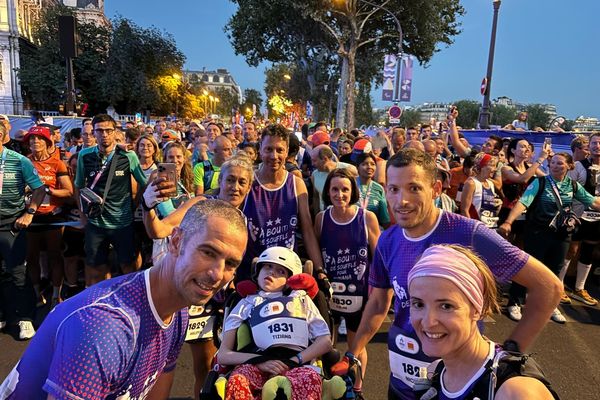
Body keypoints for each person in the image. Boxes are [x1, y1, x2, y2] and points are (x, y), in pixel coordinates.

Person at [334, 148, 562, 399]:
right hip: (401, 381)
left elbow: (548, 287)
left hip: (458, 383)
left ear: (436, 189)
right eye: (394, 189)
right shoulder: (388, 240)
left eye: (414, 188)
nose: (401, 201)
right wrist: (353, 353)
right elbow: (379, 303)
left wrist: (511, 353)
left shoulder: (468, 233)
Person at [0, 200, 248, 399]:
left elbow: (156, 390)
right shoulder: (104, 327)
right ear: (175, 241)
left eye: (231, 264)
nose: (218, 273)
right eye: (208, 252)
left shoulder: (179, 310)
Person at [143, 154, 254, 397]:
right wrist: (148, 205)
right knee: (171, 368)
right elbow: (159, 230)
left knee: (215, 368)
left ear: (249, 187)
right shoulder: (200, 204)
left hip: (218, 300)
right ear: (220, 180)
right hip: (185, 296)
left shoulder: (242, 217)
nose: (235, 187)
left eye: (242, 182)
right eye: (230, 180)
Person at [408, 244, 557, 399]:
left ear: (479, 309)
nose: (428, 322)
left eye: (446, 306)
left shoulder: (516, 392)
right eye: (418, 304)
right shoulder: (436, 372)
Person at [218, 246, 333, 400]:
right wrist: (260, 362)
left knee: (310, 380)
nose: (271, 272)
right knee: (238, 380)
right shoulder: (245, 303)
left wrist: (293, 361)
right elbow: (224, 355)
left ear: (290, 280)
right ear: (257, 271)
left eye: (281, 271)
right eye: (268, 266)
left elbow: (325, 341)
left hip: (297, 363)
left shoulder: (301, 300)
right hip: (256, 363)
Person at [499, 152, 600, 324]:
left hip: (561, 235)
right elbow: (524, 202)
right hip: (537, 233)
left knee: (554, 271)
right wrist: (508, 221)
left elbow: (594, 202)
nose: (555, 166)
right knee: (529, 268)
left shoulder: (574, 186)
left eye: (559, 163)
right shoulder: (540, 182)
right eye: (552, 163)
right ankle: (515, 302)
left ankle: (548, 305)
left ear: (569, 166)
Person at [314, 168, 380, 397]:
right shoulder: (322, 219)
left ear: (352, 191)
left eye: (344, 189)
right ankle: (327, 386)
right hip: (329, 294)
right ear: (328, 192)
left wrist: (377, 292)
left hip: (359, 294)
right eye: (334, 189)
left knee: (356, 346)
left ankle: (358, 390)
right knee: (325, 345)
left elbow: (378, 256)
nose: (339, 194)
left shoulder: (366, 218)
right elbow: (317, 254)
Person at [240, 124, 325, 282]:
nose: (274, 156)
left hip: (286, 272)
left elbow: (307, 230)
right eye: (269, 149)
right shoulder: (247, 181)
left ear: (287, 152)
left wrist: (320, 271)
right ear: (260, 150)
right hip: (252, 271)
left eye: (279, 150)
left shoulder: (296, 184)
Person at [74, 114, 148, 286]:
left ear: (115, 132)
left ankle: (130, 298)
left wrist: (133, 205)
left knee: (127, 266)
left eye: (108, 130)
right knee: (97, 267)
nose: (104, 135)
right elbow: (78, 186)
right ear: (93, 133)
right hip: (95, 223)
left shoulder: (128, 156)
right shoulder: (84, 155)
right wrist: (83, 215)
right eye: (100, 131)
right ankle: (103, 299)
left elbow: (144, 184)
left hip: (122, 223)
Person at [0, 123, 46, 340]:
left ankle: (26, 318)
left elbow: (39, 187)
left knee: (17, 272)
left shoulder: (19, 161)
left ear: (3, 136)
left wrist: (29, 213)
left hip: (11, 223)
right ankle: (5, 315)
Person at [24, 126, 74, 308]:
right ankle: (37, 294)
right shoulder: (24, 162)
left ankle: (55, 295)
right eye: (31, 139)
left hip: (52, 216)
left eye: (39, 139)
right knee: (32, 256)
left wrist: (49, 190)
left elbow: (69, 191)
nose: (35, 142)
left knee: (55, 256)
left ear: (47, 142)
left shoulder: (57, 163)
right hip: (31, 217)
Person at [499, 139, 548, 320]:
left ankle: (515, 288)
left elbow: (546, 180)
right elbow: (522, 178)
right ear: (513, 150)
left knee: (520, 250)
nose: (526, 149)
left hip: (526, 215)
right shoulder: (506, 167)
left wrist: (551, 162)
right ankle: (495, 284)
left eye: (528, 147)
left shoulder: (532, 166)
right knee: (503, 248)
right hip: (509, 212)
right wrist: (539, 160)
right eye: (522, 146)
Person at [460, 153, 501, 229]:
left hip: (490, 227)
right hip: (475, 228)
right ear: (482, 167)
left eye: (495, 166)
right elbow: (464, 210)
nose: (495, 169)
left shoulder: (491, 183)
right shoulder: (471, 183)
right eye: (492, 166)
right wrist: (471, 229)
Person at [355, 152, 390, 228]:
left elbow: (385, 219)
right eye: (364, 164)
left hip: (373, 231)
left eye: (373, 164)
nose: (369, 167)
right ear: (357, 167)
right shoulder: (350, 185)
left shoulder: (379, 188)